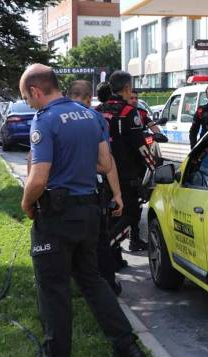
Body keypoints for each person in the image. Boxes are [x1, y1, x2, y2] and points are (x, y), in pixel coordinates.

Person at [17, 64, 144, 357]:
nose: (29, 104)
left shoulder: (44, 120)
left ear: (35, 91)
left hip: (57, 216)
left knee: (53, 288)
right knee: (92, 280)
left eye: (27, 98)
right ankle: (127, 347)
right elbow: (104, 162)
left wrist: (27, 203)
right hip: (89, 211)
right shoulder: (91, 115)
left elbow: (39, 177)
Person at [67, 80, 126, 293]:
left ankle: (75, 285)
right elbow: (107, 161)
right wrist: (117, 194)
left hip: (61, 198)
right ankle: (107, 286)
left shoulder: (51, 117)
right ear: (88, 97)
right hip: (92, 193)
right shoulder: (96, 119)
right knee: (99, 242)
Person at [96, 71, 152, 252]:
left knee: (111, 215)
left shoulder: (98, 111)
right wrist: (155, 167)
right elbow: (141, 146)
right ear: (127, 88)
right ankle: (105, 252)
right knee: (131, 214)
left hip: (102, 172)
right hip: (125, 173)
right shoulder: (129, 111)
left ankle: (111, 258)